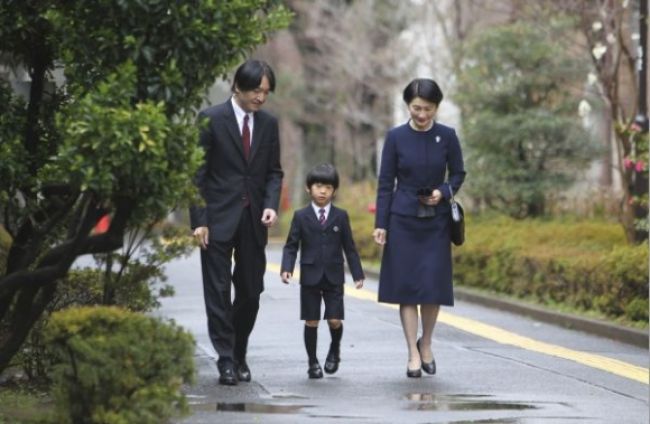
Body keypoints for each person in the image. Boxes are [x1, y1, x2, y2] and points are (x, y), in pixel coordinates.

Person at [190, 59, 283, 386]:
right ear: (238, 88)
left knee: (251, 291)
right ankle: (226, 359)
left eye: (266, 92)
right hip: (215, 219)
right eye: (256, 90)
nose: (260, 97)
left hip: (253, 218)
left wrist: (271, 204)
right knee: (216, 291)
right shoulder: (211, 119)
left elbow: (274, 171)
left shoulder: (269, 124)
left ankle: (239, 350)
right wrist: (199, 220)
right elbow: (197, 175)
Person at [372, 78, 465, 378]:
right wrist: (381, 224)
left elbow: (458, 173)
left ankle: (426, 342)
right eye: (415, 108)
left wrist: (444, 192)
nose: (421, 114)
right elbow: (386, 183)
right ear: (408, 106)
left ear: (436, 107)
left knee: (432, 288)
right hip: (403, 219)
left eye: (427, 109)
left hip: (436, 220)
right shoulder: (396, 137)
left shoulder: (447, 136)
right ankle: (412, 352)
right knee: (408, 289)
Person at [281, 163, 365, 379]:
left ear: (334, 191)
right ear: (309, 189)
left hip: (334, 276)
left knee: (335, 319)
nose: (323, 191)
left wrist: (357, 274)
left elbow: (350, 247)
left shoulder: (341, 216)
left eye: (328, 187)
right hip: (310, 276)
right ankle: (312, 363)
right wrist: (286, 268)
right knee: (312, 320)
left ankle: (334, 350)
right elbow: (291, 245)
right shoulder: (300, 216)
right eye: (318, 186)